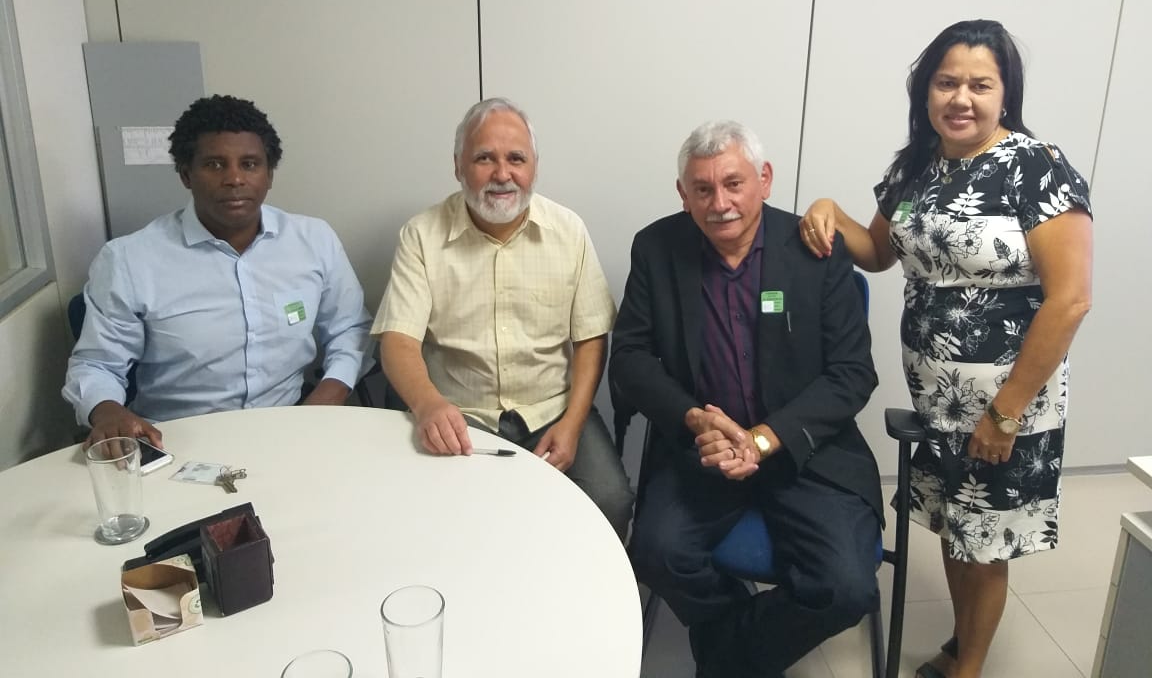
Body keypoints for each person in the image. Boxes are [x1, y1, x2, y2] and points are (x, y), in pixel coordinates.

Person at [800, 19, 1093, 678]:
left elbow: (1071, 299)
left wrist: (1005, 414)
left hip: (1007, 402)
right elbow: (877, 251)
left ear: (1005, 94)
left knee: (984, 544)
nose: (961, 98)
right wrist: (827, 209)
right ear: (925, 91)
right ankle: (963, 646)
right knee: (957, 530)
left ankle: (968, 668)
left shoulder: (1035, 167)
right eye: (946, 82)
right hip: (938, 398)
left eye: (979, 85)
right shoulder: (917, 166)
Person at [611, 120, 882, 678]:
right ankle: (743, 645)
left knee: (847, 587)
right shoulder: (656, 248)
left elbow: (853, 373)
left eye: (734, 184)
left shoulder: (816, 249)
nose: (721, 204)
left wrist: (764, 438)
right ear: (683, 194)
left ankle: (725, 658)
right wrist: (693, 419)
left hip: (805, 451)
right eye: (703, 189)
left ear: (765, 179)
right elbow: (631, 357)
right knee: (656, 554)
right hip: (702, 449)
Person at [374, 97, 634, 540]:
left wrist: (572, 424)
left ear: (534, 166)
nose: (502, 174)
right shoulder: (422, 235)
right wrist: (428, 404)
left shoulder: (568, 230)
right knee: (452, 519)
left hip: (553, 409)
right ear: (458, 166)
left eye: (516, 159)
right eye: (484, 158)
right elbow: (397, 341)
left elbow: (591, 337)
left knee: (610, 498)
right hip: (460, 413)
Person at [63, 95, 374, 448]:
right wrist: (106, 411)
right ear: (186, 175)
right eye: (214, 165)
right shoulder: (129, 260)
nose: (234, 179)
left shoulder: (313, 241)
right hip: (177, 439)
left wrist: (328, 394)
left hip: (289, 426)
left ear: (269, 174)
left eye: (250, 164)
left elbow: (351, 329)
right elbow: (98, 365)